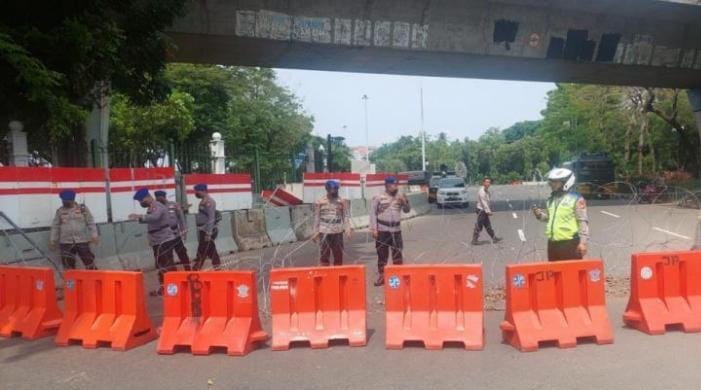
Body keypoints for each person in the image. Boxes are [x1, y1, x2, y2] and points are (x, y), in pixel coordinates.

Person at [532, 168, 590, 261]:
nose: (552, 185)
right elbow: (550, 219)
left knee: (570, 274)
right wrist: (539, 215)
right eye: (551, 182)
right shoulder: (551, 199)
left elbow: (582, 221)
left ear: (566, 182)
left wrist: (583, 243)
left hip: (569, 244)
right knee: (554, 274)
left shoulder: (576, 199)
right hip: (552, 244)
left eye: (556, 182)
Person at [129, 188, 177, 296]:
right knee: (161, 265)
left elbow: (155, 217)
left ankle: (174, 288)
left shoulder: (157, 206)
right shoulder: (151, 207)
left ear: (147, 197)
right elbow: (152, 221)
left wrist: (140, 216)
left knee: (167, 265)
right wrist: (141, 219)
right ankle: (164, 288)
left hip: (164, 240)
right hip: (157, 241)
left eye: (141, 201)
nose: (141, 203)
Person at [369, 176, 410, 286]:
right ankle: (382, 276)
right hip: (382, 230)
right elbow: (373, 213)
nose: (395, 186)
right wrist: (374, 229)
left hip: (396, 230)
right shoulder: (379, 197)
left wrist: (405, 202)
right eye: (393, 184)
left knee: (397, 253)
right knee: (382, 254)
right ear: (387, 185)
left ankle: (399, 275)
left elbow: (407, 210)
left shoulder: (400, 197)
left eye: (396, 184)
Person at [49, 189, 98, 270]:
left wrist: (94, 235)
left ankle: (95, 279)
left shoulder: (82, 209)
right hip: (65, 242)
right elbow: (55, 226)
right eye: (63, 201)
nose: (64, 202)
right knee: (68, 266)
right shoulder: (60, 211)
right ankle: (71, 282)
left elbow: (90, 222)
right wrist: (52, 240)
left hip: (82, 241)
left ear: (72, 200)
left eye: (66, 201)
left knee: (89, 262)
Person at [313, 180, 352, 266]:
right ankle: (325, 272)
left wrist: (348, 229)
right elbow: (317, 217)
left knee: (338, 254)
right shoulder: (320, 202)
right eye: (332, 190)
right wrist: (315, 232)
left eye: (335, 190)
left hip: (337, 230)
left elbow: (345, 216)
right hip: (324, 230)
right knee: (324, 254)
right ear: (327, 189)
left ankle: (337, 272)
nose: (334, 192)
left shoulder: (341, 202)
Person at [155, 190, 191, 271]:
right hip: (165, 236)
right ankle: (173, 273)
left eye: (159, 198)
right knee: (168, 254)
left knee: (182, 252)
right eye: (157, 198)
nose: (158, 200)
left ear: (164, 197)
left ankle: (188, 268)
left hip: (175, 233)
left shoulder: (173, 205)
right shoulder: (157, 208)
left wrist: (184, 230)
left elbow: (181, 217)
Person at [193, 184, 221, 270]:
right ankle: (217, 266)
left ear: (202, 191)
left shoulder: (209, 202)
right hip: (203, 229)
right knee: (211, 249)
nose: (196, 193)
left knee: (202, 249)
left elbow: (211, 217)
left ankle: (196, 268)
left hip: (207, 230)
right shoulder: (203, 201)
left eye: (197, 191)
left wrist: (209, 232)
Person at [471, 177, 502, 245]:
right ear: (483, 183)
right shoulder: (482, 191)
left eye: (489, 182)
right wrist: (488, 211)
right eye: (487, 182)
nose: (488, 184)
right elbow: (484, 202)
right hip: (481, 210)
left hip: (483, 210)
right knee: (479, 226)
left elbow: (487, 201)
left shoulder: (486, 190)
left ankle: (494, 238)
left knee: (488, 225)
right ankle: (474, 240)